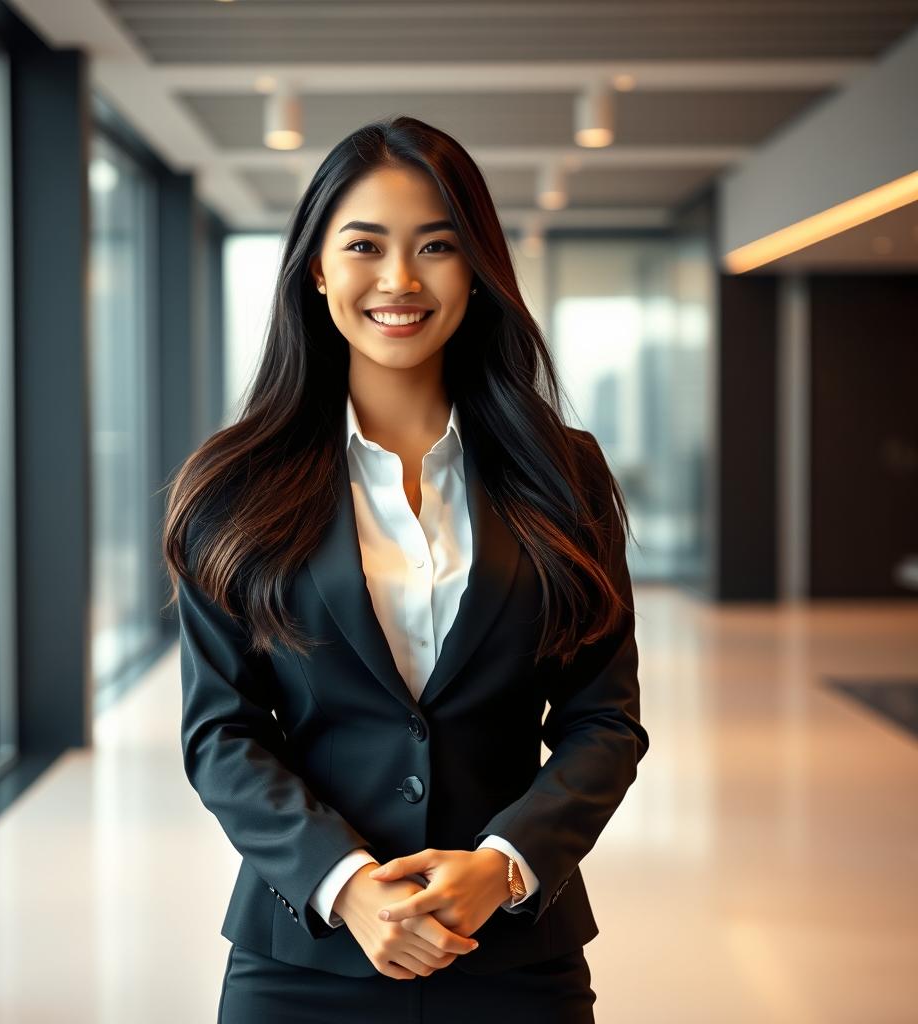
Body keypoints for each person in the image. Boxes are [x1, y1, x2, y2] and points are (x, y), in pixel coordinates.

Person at [162, 115, 649, 1023]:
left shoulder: (564, 470)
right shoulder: (236, 484)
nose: (399, 280)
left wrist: (503, 867)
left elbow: (604, 724)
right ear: (316, 268)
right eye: (363, 245)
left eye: (437, 246)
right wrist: (347, 887)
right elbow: (221, 734)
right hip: (302, 960)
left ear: (479, 271)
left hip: (514, 955)